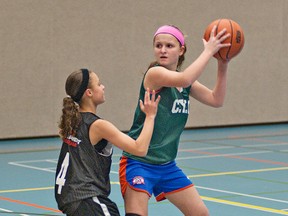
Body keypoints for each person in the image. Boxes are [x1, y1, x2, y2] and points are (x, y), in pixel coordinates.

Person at [119, 25, 231, 216]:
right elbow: (185, 78)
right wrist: (208, 51)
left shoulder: (185, 83)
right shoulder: (155, 74)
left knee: (200, 214)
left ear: (181, 50)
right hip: (138, 162)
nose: (162, 50)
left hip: (166, 165)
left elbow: (216, 100)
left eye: (169, 46)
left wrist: (222, 63)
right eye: (158, 45)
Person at [54, 68, 160, 216]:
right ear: (89, 93)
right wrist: (150, 116)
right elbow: (140, 149)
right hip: (87, 199)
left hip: (72, 199)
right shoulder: (98, 125)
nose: (103, 87)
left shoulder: (74, 121)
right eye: (99, 84)